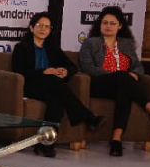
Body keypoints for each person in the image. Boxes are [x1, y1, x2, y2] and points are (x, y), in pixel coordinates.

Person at [79, 6, 150, 156]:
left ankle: (116, 139)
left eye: (112, 23)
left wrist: (135, 74)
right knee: (123, 78)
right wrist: (116, 75)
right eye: (105, 23)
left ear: (120, 26)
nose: (108, 26)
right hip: (99, 84)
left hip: (123, 84)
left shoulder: (126, 44)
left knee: (124, 91)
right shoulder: (91, 43)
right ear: (100, 25)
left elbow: (137, 66)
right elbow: (88, 68)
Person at [12, 12, 104, 158]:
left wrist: (65, 71)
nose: (43, 29)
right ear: (31, 28)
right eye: (39, 26)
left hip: (51, 86)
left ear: (50, 30)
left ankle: (45, 144)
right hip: (30, 86)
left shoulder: (52, 48)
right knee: (54, 81)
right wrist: (44, 71)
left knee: (56, 100)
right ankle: (86, 115)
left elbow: (72, 66)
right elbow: (19, 72)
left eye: (47, 27)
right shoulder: (22, 47)